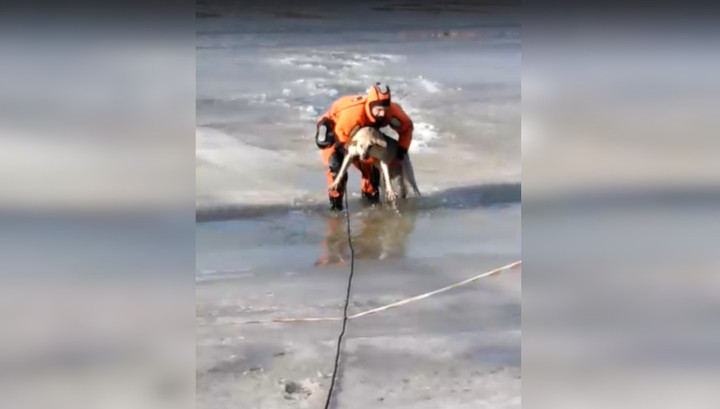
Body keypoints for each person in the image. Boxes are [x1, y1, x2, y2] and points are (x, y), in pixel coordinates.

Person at [314, 82, 414, 211]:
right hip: (335, 131)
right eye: (378, 110)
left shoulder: (392, 111)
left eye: (385, 109)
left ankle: (370, 202)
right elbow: (342, 141)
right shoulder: (352, 116)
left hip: (364, 136)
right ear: (370, 106)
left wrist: (401, 150)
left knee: (371, 167)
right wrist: (353, 156)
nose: (382, 113)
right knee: (337, 168)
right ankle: (335, 208)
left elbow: (407, 128)